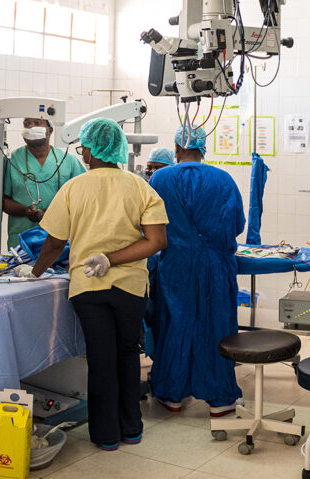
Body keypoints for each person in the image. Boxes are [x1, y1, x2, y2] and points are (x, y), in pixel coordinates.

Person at [18, 118, 168, 450]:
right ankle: (132, 428)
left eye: (84, 146)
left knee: (101, 360)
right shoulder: (141, 186)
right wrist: (113, 259)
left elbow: (55, 243)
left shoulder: (74, 187)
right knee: (128, 355)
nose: (83, 151)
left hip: (89, 288)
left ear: (89, 149)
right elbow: (156, 241)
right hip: (130, 287)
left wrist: (34, 272)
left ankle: (105, 436)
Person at [148, 126, 247, 416]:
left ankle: (172, 394)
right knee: (217, 326)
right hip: (215, 266)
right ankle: (221, 398)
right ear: (204, 149)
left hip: (175, 265)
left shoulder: (160, 178)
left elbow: (148, 223)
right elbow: (238, 224)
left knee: (175, 325)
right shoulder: (223, 180)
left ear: (176, 149)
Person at [0, 117, 86, 248]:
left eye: (37, 123)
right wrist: (26, 211)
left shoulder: (68, 160)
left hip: (60, 239)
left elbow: (81, 199)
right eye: (26, 124)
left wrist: (50, 212)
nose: (31, 127)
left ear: (49, 130)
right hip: (21, 240)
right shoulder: (12, 160)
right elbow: (1, 200)